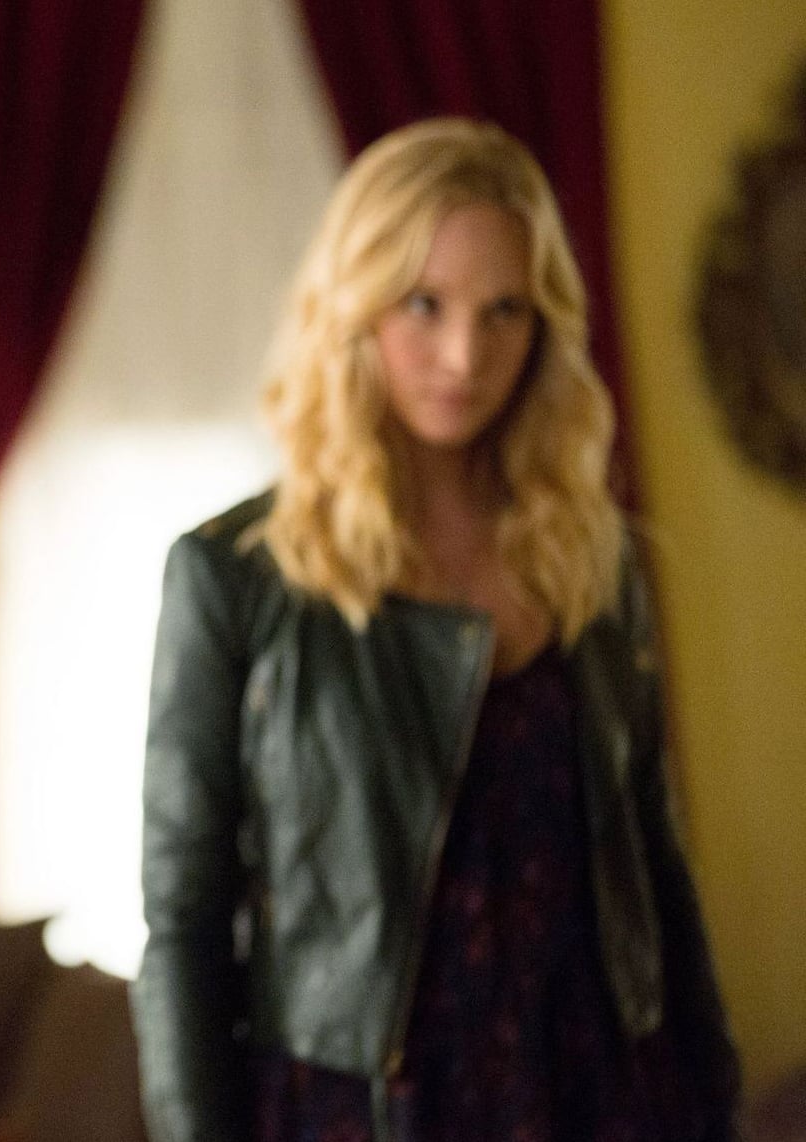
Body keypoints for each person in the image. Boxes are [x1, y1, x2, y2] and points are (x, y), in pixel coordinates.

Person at [133, 119, 740, 1142]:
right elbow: (184, 923)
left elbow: (657, 870)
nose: (465, 355)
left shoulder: (596, 563)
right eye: (424, 304)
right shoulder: (236, 580)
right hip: (363, 1107)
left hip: (601, 1092)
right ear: (353, 305)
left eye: (504, 310)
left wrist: (714, 1105)